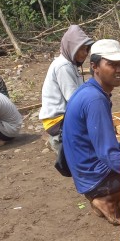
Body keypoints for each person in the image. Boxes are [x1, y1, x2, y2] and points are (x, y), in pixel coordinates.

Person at [62, 39, 120, 226]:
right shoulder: (95, 99)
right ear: (94, 66)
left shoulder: (88, 90)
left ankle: (106, 196)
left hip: (85, 173)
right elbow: (109, 153)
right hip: (94, 178)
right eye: (112, 64)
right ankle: (107, 199)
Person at [39, 25, 94, 153]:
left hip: (63, 116)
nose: (85, 53)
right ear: (71, 48)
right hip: (57, 120)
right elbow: (74, 99)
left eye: (86, 49)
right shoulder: (63, 66)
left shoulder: (71, 64)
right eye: (81, 49)